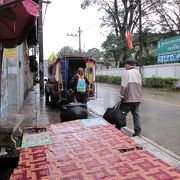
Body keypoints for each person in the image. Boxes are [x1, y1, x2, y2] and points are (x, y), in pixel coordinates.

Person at [119, 59, 142, 136]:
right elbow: (140, 85)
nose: (125, 67)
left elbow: (123, 87)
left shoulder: (127, 73)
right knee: (136, 115)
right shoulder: (138, 73)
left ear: (127, 65)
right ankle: (137, 132)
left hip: (128, 99)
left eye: (125, 65)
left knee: (121, 114)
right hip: (137, 99)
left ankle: (118, 128)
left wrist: (122, 96)